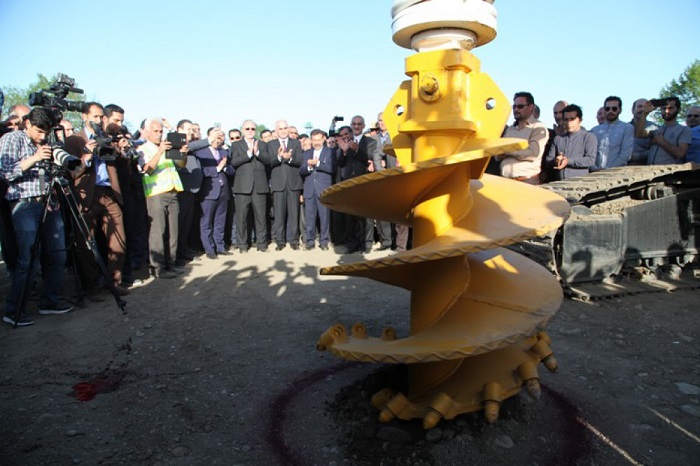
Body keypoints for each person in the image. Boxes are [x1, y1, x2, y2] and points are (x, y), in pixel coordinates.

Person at [0, 107, 74, 326]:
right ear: (28, 124)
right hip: (25, 204)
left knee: (58, 254)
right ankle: (15, 311)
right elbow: (5, 172)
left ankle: (50, 301)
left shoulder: (47, 142)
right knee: (28, 258)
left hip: (49, 201)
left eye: (46, 132)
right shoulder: (11, 139)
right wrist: (34, 158)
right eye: (40, 131)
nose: (43, 136)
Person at [64, 102, 128, 296]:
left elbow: (121, 168)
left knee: (119, 239)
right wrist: (87, 156)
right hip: (86, 196)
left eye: (102, 117)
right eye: (96, 116)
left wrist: (120, 152)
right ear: (84, 116)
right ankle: (92, 287)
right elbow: (71, 172)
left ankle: (114, 282)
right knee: (87, 243)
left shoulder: (106, 138)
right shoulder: (75, 140)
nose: (100, 120)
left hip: (109, 193)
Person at [137, 118, 185, 279]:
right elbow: (147, 169)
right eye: (156, 131)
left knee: (173, 231)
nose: (159, 135)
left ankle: (171, 263)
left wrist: (182, 153)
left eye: (160, 131)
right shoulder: (142, 149)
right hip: (155, 194)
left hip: (173, 191)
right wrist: (159, 152)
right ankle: (157, 267)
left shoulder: (167, 147)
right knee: (158, 232)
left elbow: (181, 164)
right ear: (147, 132)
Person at [338, 116, 377, 254]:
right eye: (354, 124)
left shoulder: (371, 142)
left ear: (363, 125)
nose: (356, 126)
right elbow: (340, 163)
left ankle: (366, 244)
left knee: (365, 215)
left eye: (359, 124)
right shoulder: (345, 141)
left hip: (364, 182)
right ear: (351, 125)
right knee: (350, 215)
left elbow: (370, 159)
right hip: (349, 182)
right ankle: (352, 244)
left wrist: (356, 149)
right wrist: (343, 152)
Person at [193, 127, 234, 259]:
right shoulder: (200, 153)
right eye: (215, 137)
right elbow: (201, 172)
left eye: (221, 137)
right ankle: (209, 249)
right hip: (209, 191)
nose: (218, 140)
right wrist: (217, 168)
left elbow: (232, 171)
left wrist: (226, 167)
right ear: (209, 137)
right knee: (207, 222)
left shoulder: (224, 152)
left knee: (220, 221)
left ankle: (220, 246)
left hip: (223, 190)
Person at [230, 119, 271, 252]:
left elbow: (269, 160)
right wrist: (248, 154)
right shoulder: (236, 145)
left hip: (259, 186)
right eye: (247, 129)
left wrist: (257, 153)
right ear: (242, 130)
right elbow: (234, 162)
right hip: (242, 187)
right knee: (241, 218)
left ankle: (261, 244)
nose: (250, 131)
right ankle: (242, 245)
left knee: (261, 217)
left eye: (252, 129)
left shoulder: (262, 144)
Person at [496, 92, 548, 185]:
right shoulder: (510, 129)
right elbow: (497, 156)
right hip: (505, 182)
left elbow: (533, 153)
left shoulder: (538, 128)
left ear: (531, 107)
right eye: (514, 107)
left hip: (526, 181)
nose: (516, 109)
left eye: (520, 106)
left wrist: (508, 151)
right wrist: (500, 153)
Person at [267, 120, 303, 251]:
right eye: (280, 128)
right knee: (279, 215)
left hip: (293, 183)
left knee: (294, 214)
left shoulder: (296, 143)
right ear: (276, 131)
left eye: (285, 128)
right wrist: (278, 156)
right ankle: (280, 241)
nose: (283, 130)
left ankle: (294, 241)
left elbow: (300, 161)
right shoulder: (270, 144)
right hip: (278, 184)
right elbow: (268, 162)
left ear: (288, 129)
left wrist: (290, 158)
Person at [300, 129, 336, 250]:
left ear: (323, 139)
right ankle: (310, 242)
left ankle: (324, 241)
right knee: (309, 217)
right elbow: (301, 171)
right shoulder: (306, 153)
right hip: (310, 189)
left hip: (324, 189)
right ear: (311, 140)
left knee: (324, 217)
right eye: (314, 140)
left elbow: (332, 169)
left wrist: (318, 163)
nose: (316, 142)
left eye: (318, 140)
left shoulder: (330, 152)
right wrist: (309, 167)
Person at [372, 112, 404, 250]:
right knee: (386, 213)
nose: (382, 123)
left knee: (402, 216)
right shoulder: (377, 140)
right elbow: (376, 153)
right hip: (387, 179)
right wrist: (381, 172)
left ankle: (402, 246)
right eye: (380, 120)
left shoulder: (400, 136)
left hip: (405, 179)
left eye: (385, 120)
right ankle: (388, 242)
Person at [545, 104, 597, 180]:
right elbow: (548, 160)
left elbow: (590, 160)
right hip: (560, 182)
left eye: (572, 119)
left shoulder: (589, 137)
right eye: (566, 119)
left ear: (580, 120)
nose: (569, 122)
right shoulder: (558, 139)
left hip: (581, 183)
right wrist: (556, 160)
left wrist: (568, 161)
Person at [635, 96, 691, 165]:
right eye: (664, 108)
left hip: (671, 173)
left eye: (671, 108)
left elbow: (680, 154)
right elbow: (639, 134)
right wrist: (645, 113)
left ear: (678, 110)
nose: (667, 111)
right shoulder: (655, 128)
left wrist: (661, 141)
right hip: (651, 172)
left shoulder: (684, 130)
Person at [590, 96, 634, 170]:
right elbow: (590, 152)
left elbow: (625, 154)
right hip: (595, 172)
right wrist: (594, 168)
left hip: (616, 173)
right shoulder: (595, 130)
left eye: (614, 109)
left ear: (620, 110)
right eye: (607, 109)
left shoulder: (627, 128)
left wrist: (608, 169)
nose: (610, 111)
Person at [541, 100, 568, 183]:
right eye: (555, 113)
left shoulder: (581, 134)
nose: (558, 116)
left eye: (561, 112)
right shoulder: (549, 134)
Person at [629, 98, 654, 165]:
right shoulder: (624, 128)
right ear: (632, 110)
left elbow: (653, 150)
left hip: (645, 167)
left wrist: (634, 157)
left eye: (645, 107)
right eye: (639, 106)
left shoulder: (653, 127)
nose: (643, 109)